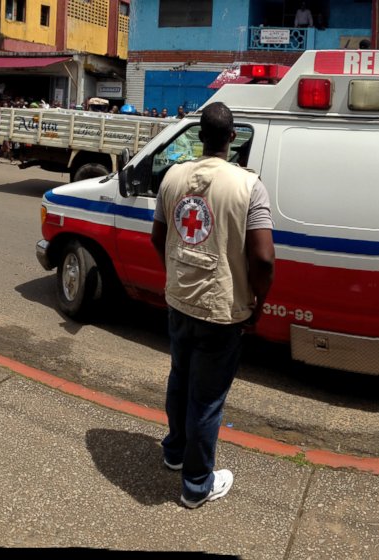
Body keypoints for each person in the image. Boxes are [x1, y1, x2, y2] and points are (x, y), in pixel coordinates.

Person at [148, 103, 274, 509]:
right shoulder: (248, 186)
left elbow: (158, 237)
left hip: (179, 301)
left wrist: (176, 274)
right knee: (206, 398)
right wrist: (259, 302)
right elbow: (264, 258)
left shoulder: (172, 177)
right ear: (232, 136)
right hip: (221, 311)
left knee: (179, 379)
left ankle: (173, 452)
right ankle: (196, 485)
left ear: (198, 136)